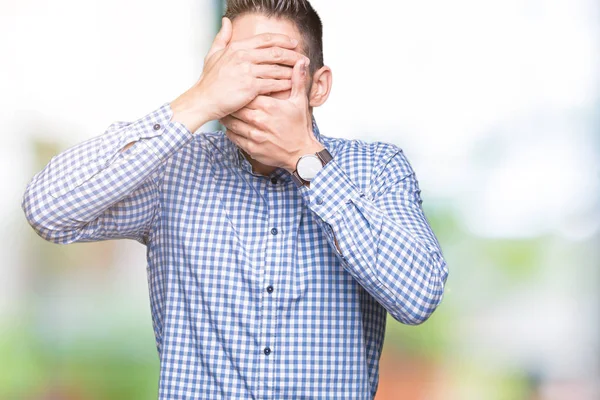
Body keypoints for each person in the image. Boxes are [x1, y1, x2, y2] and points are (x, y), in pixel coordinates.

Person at [21, 0, 448, 398]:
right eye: (239, 70)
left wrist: (306, 161)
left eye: (274, 70)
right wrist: (198, 100)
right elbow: (48, 209)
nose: (252, 90)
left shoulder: (375, 169)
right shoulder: (174, 167)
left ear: (318, 87)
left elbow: (418, 296)